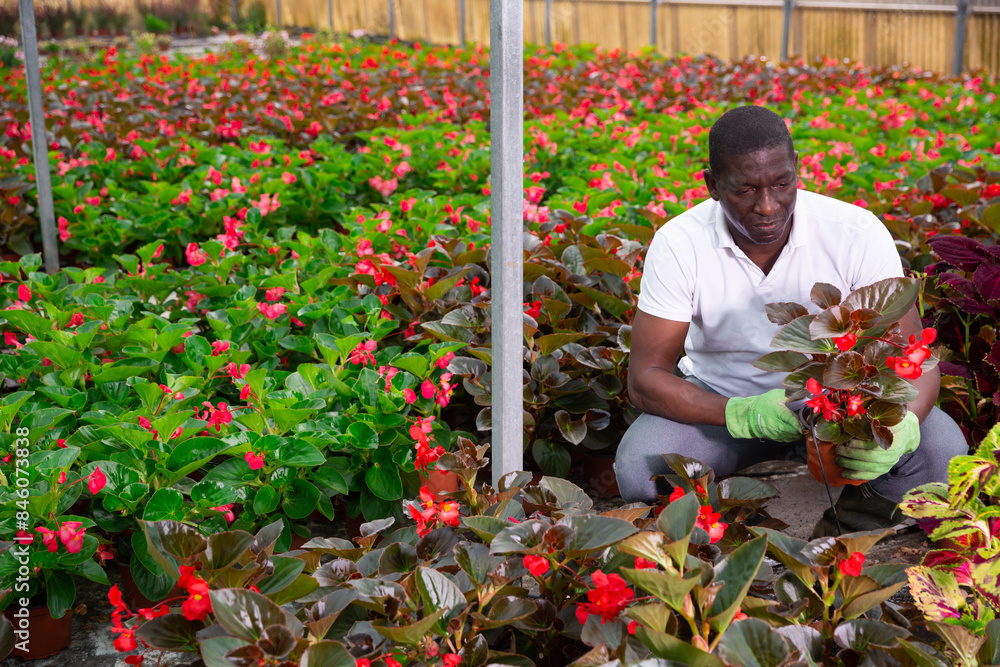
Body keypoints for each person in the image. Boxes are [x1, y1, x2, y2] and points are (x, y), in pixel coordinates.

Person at [614, 105, 966, 537]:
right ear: (712, 185)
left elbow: (915, 355)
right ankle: (730, 528)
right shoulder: (679, 243)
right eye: (744, 189)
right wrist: (742, 414)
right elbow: (645, 377)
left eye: (782, 184)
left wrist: (904, 423)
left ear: (797, 171)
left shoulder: (854, 232)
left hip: (838, 400)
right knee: (642, 469)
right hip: (724, 402)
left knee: (940, 454)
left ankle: (856, 521)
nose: (767, 206)